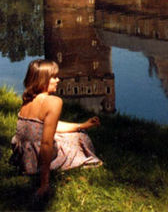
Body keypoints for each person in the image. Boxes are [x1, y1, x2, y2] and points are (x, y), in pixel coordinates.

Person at [11, 59, 102, 198]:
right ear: (43, 80)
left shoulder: (29, 99)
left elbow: (46, 126)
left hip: (24, 158)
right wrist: (44, 184)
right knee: (80, 136)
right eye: (54, 77)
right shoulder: (54, 102)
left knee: (76, 131)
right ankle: (86, 160)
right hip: (38, 160)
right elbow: (46, 144)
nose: (58, 80)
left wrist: (82, 125)